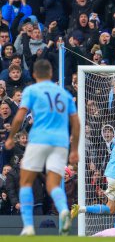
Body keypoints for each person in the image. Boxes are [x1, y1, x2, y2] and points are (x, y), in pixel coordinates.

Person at [4, 59, 80, 236]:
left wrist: (10, 137)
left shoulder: (32, 90)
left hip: (39, 139)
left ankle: (29, 227)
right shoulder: (63, 94)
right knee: (54, 183)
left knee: (25, 181)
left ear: (34, 74)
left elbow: (19, 116)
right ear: (51, 74)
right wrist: (74, 149)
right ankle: (63, 211)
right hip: (60, 142)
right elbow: (76, 123)